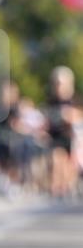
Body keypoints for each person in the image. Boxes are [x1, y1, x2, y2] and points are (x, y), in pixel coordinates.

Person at [45, 66, 78, 198]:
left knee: (67, 164)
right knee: (56, 160)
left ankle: (66, 187)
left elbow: (78, 116)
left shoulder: (73, 100)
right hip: (55, 136)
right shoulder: (52, 101)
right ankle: (56, 188)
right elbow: (47, 120)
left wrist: (70, 116)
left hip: (69, 135)